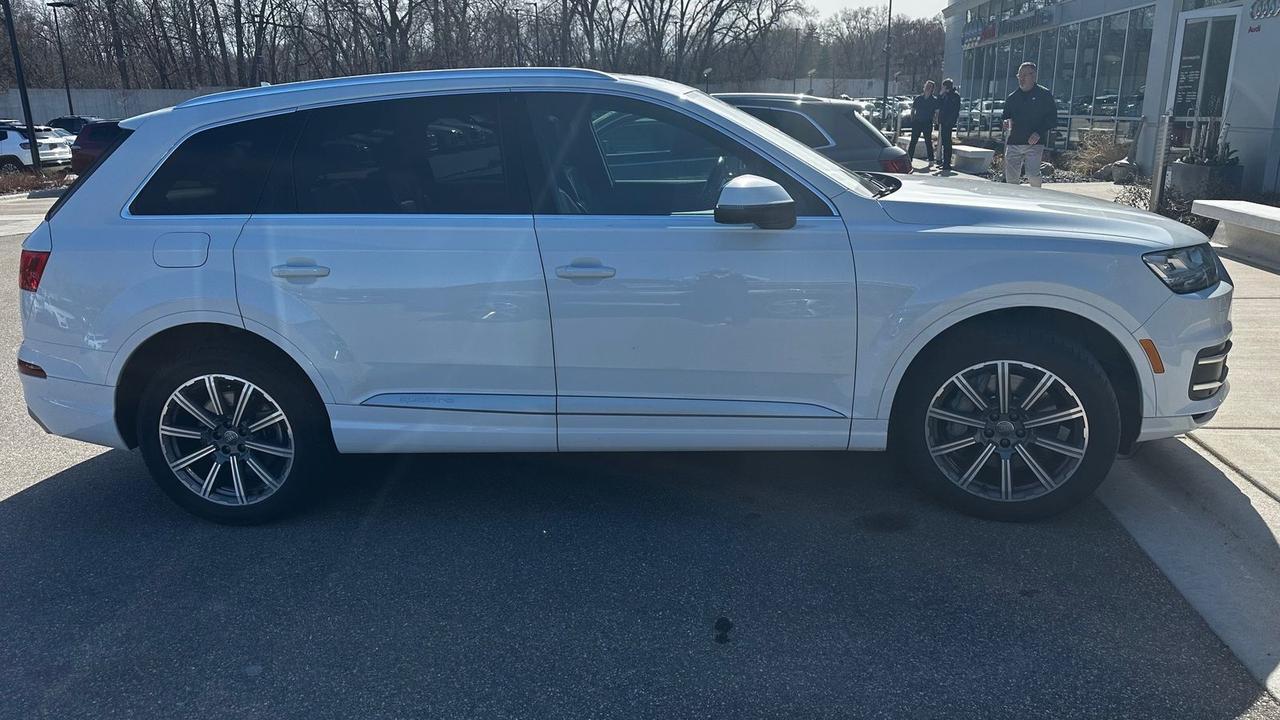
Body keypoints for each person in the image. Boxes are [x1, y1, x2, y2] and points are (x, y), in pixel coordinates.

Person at [1001, 61, 1057, 187]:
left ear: (1034, 75)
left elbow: (1052, 118)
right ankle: (1013, 200)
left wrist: (1038, 132)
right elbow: (1005, 116)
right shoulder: (1012, 97)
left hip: (1034, 143)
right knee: (1011, 177)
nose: (1021, 78)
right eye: (1019, 75)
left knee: (1032, 174)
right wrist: (1005, 123)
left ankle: (1036, 197)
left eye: (1025, 75)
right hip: (1014, 142)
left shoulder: (1044, 95)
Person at [907, 81, 939, 167]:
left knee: (928, 141)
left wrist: (935, 121)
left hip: (927, 123)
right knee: (913, 141)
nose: (928, 88)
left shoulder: (934, 100)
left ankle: (931, 160)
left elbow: (936, 112)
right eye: (927, 86)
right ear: (924, 87)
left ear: (932, 89)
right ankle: (909, 159)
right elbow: (913, 110)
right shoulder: (918, 99)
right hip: (917, 122)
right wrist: (913, 120)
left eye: (930, 87)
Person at [937, 78, 961, 173]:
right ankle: (944, 161)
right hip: (943, 121)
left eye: (943, 86)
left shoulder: (955, 96)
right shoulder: (944, 95)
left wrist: (951, 121)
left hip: (949, 122)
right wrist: (940, 95)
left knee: (947, 142)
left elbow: (955, 110)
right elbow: (938, 104)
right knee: (944, 142)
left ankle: (947, 162)